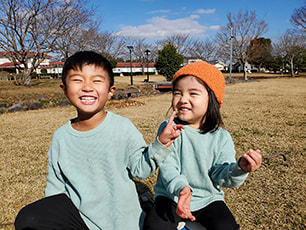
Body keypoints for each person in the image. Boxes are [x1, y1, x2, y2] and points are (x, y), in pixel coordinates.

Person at [14, 51, 184, 230]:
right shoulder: (60, 137)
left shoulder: (122, 127)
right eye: (78, 80)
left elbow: (141, 170)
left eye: (96, 80)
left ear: (111, 91)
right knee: (28, 218)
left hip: (122, 222)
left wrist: (160, 144)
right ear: (64, 89)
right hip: (80, 222)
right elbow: (56, 186)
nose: (87, 87)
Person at [143, 61, 262, 230]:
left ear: (212, 99)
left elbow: (220, 175)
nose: (183, 99)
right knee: (156, 227)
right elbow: (168, 166)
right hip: (172, 196)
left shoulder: (221, 137)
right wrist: (182, 189)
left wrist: (239, 168)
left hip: (208, 198)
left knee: (227, 226)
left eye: (193, 93)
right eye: (177, 93)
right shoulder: (169, 129)